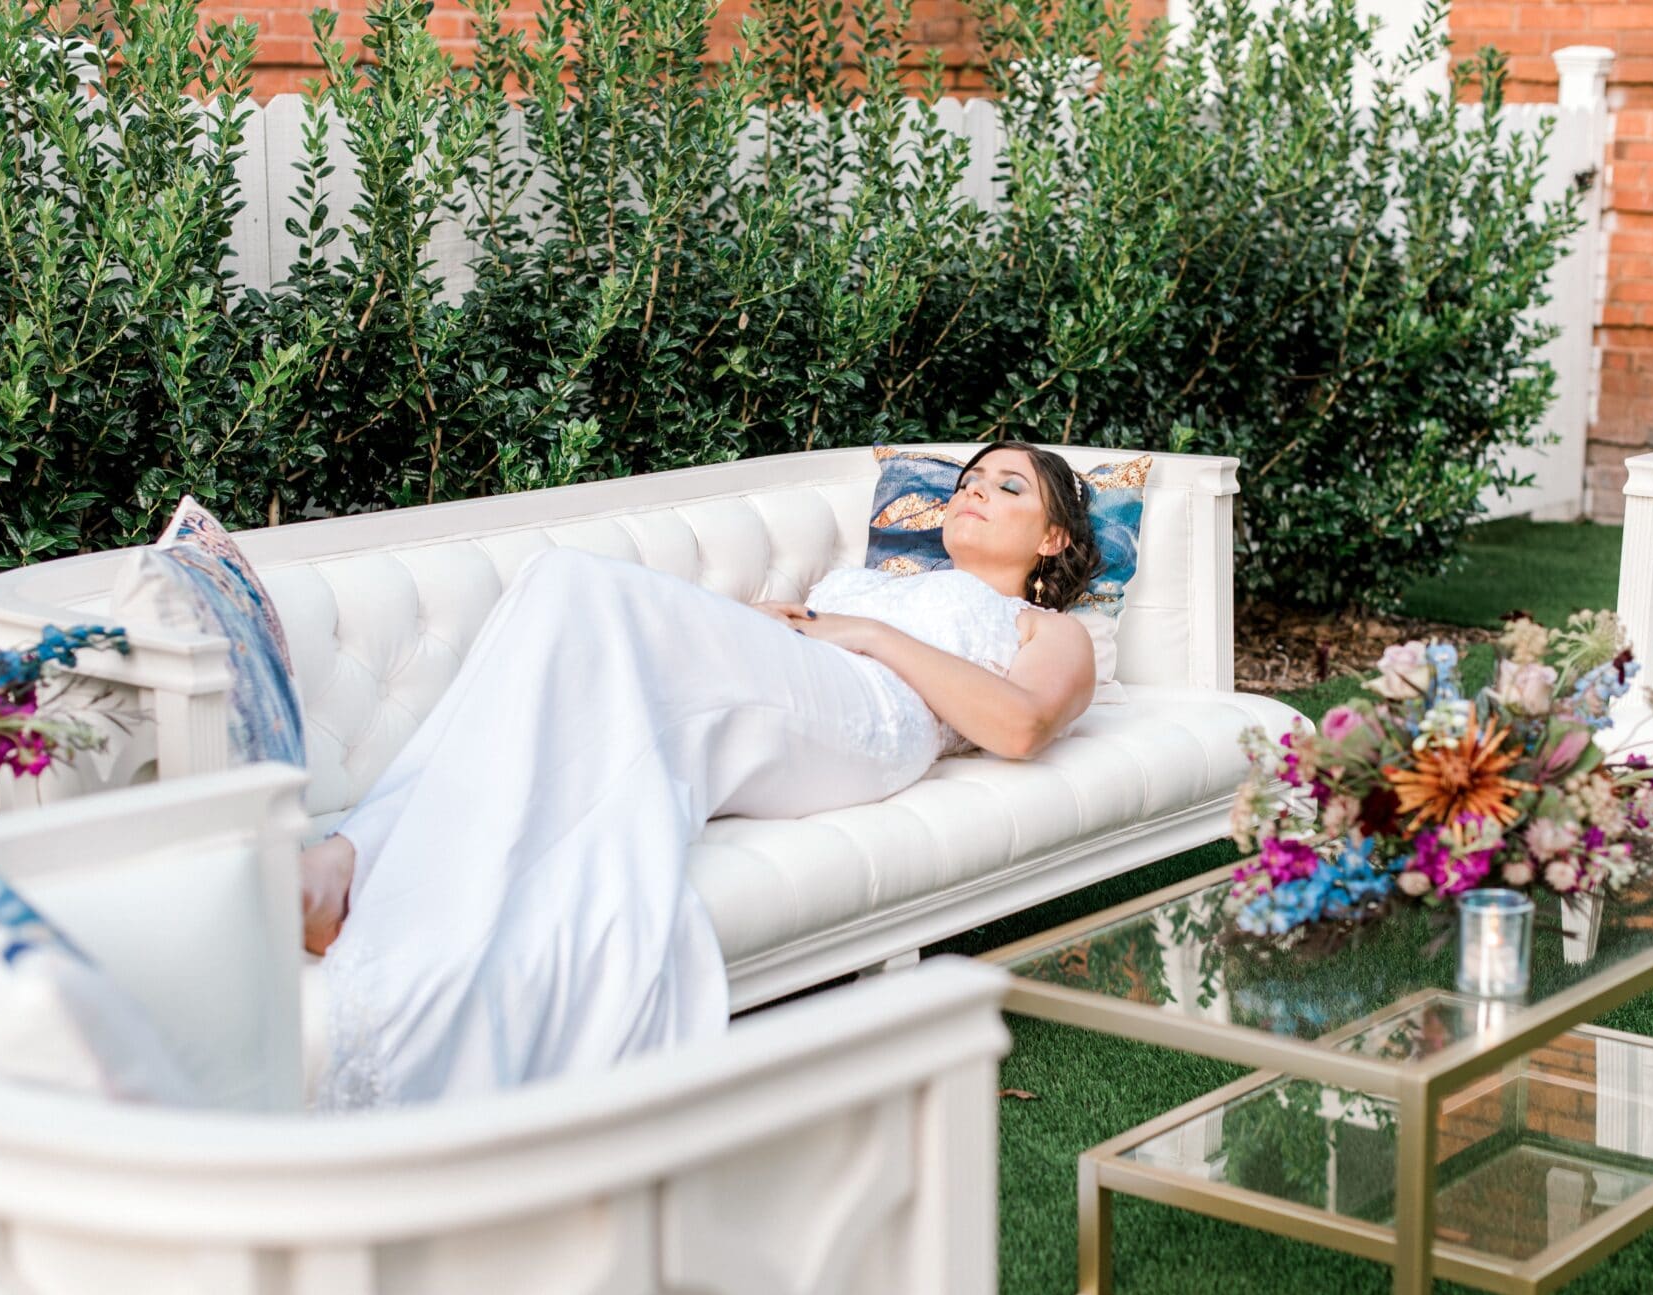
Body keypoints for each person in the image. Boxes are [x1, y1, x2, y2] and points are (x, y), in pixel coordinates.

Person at [299, 441, 1102, 1109]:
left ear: (1053, 539)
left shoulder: (1044, 626)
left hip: (873, 713)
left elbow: (1020, 726)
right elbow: (772, 638)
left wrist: (865, 635)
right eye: (967, 481)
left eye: (1006, 486)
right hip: (790, 679)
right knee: (559, 586)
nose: (974, 492)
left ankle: (353, 854)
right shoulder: (867, 581)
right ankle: (363, 855)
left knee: (574, 583)